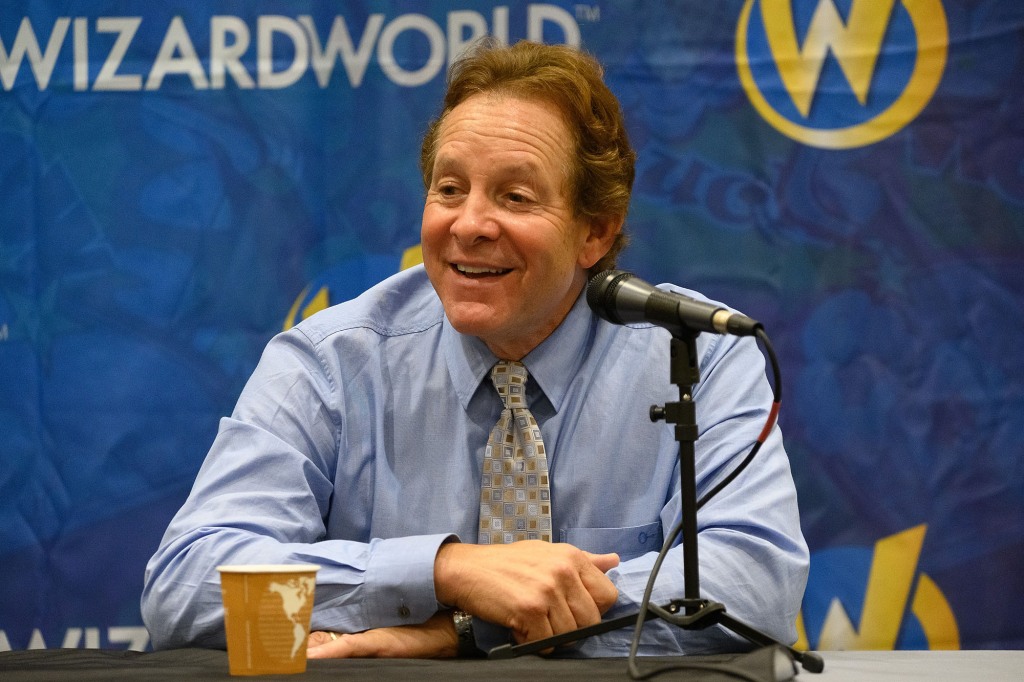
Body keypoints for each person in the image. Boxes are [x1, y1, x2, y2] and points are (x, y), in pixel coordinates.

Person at [141, 39, 808, 659]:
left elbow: (754, 585)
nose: (469, 225)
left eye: (514, 197)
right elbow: (187, 582)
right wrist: (445, 570)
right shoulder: (329, 363)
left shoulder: (698, 358)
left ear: (595, 232)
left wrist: (462, 630)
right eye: (450, 189)